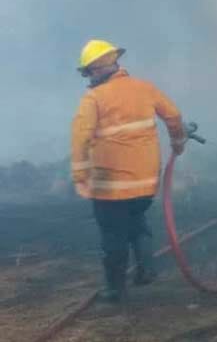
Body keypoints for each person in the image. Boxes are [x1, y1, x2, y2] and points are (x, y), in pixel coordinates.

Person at [71, 40, 186, 302]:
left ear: (98, 69)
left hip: (110, 188)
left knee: (113, 237)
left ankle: (115, 290)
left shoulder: (94, 98)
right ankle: (146, 271)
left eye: (88, 72)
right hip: (146, 184)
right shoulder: (144, 88)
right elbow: (174, 115)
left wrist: (80, 177)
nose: (88, 78)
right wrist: (178, 144)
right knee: (137, 223)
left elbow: (80, 138)